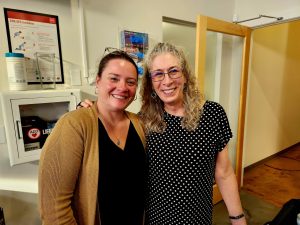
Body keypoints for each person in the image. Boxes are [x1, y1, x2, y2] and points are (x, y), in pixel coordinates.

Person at [79, 42, 247, 225]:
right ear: (151, 83)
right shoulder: (142, 122)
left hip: (199, 219)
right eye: (158, 74)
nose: (167, 81)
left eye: (173, 71)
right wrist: (89, 110)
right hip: (155, 220)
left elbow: (224, 172)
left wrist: (237, 218)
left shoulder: (212, 114)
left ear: (185, 76)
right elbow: (112, 123)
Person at [38, 50, 146, 225]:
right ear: (98, 81)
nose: (122, 87)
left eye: (130, 82)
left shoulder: (139, 124)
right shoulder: (74, 125)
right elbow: (54, 209)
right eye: (114, 78)